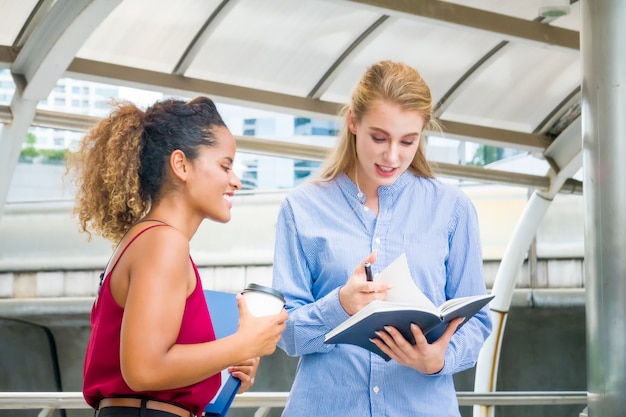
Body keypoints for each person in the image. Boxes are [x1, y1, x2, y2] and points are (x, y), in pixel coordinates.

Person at [272, 60, 493, 417]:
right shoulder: (302, 208)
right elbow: (286, 334)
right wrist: (340, 305)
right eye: (379, 137)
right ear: (353, 123)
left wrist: (440, 358)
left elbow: (477, 323)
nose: (392, 156)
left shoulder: (452, 209)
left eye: (408, 141)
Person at [66, 96, 288, 417]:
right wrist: (244, 344)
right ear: (181, 165)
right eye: (225, 165)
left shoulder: (146, 239)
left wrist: (228, 361)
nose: (236, 180)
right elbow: (144, 370)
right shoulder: (164, 242)